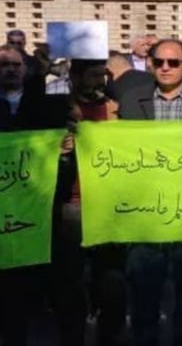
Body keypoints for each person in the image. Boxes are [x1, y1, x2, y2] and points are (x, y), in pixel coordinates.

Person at [117, 39, 182, 346]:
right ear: (150, 63)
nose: (165, 67)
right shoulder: (131, 99)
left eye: (173, 63)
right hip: (144, 207)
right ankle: (145, 336)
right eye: (159, 61)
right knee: (143, 282)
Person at [53, 59, 129, 346]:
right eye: (94, 75)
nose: (101, 80)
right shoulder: (57, 109)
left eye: (104, 75)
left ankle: (110, 335)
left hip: (108, 205)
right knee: (70, 281)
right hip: (71, 206)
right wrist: (60, 147)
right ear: (76, 76)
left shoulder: (115, 109)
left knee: (112, 280)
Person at [0, 43, 68, 346]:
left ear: (24, 70)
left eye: (15, 65)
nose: (10, 70)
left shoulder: (44, 105)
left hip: (34, 205)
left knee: (26, 277)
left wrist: (65, 146)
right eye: (3, 66)